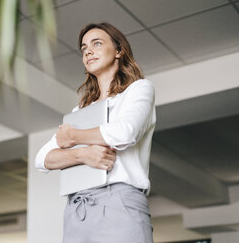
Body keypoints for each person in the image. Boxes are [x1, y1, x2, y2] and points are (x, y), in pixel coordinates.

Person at [35, 22, 156, 243]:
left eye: (97, 44)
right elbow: (42, 158)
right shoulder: (79, 111)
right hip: (77, 209)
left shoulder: (138, 90)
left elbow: (125, 132)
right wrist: (82, 155)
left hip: (120, 202)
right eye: (84, 49)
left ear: (119, 50)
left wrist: (74, 137)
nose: (88, 51)